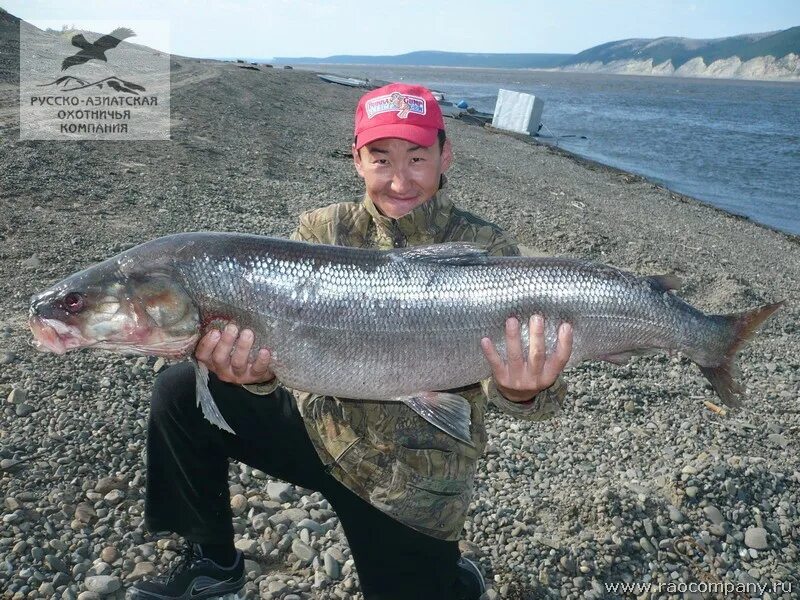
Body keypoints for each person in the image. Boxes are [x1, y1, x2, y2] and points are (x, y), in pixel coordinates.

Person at [130, 83, 573, 600]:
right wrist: (250, 376)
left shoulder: (487, 248)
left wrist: (523, 391)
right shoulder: (320, 228)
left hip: (412, 476)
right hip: (320, 431)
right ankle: (212, 560)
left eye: (417, 157)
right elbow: (288, 350)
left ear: (444, 154)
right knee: (181, 390)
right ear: (357, 159)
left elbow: (529, 400)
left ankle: (448, 576)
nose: (400, 179)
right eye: (380, 158)